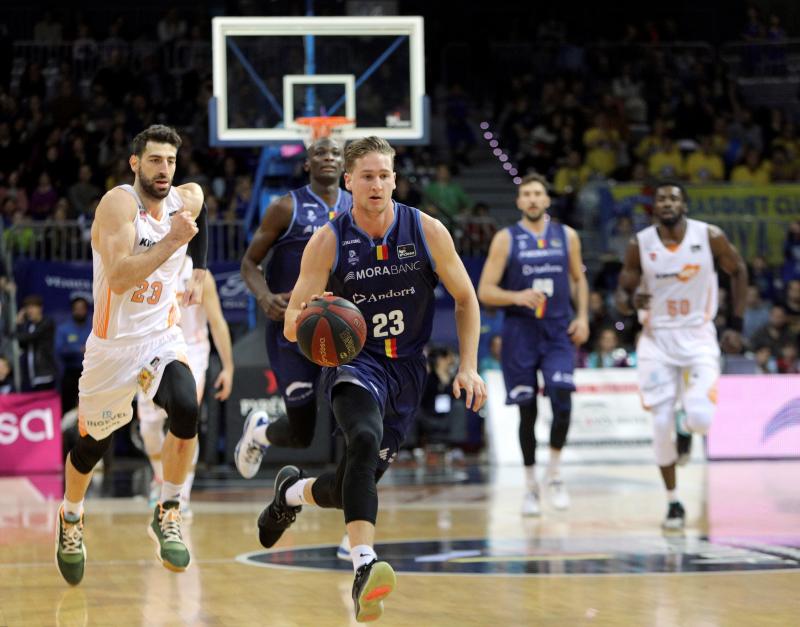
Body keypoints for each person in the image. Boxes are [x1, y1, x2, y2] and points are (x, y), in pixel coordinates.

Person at [258, 136, 486, 622]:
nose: (376, 184)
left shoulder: (426, 230)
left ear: (395, 181)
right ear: (349, 182)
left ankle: (291, 493)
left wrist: (468, 365)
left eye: (384, 175)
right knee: (362, 438)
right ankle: (364, 564)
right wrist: (311, 317)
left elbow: (466, 299)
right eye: (367, 176)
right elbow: (293, 314)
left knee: (349, 486)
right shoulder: (329, 239)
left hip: (407, 371)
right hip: (354, 363)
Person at [55, 124, 208, 586]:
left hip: (160, 339)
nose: (164, 169)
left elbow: (195, 213)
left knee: (186, 407)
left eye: (171, 161)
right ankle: (71, 515)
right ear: (135, 163)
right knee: (91, 445)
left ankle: (168, 509)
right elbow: (120, 278)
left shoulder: (188, 199)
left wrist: (198, 267)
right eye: (156, 160)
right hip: (112, 347)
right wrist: (173, 242)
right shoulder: (119, 204)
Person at [617, 180, 747, 531]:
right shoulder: (638, 245)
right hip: (656, 340)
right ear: (654, 207)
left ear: (684, 205)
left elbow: (739, 271)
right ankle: (673, 502)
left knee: (702, 419)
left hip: (698, 335)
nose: (667, 202)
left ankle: (687, 429)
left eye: (674, 197)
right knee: (659, 426)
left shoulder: (710, 236)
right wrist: (631, 303)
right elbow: (622, 295)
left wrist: (736, 323)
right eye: (661, 198)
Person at [236, 137, 352, 477]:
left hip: (341, 325)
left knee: (354, 419)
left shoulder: (357, 209)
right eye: (320, 152)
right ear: (307, 164)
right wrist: (264, 296)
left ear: (344, 164)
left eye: (335, 153)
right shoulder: (286, 207)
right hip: (293, 328)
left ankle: (352, 501)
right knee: (302, 434)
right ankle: (259, 433)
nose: (328, 157)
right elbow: (249, 264)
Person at [477, 173, 589, 517]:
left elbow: (578, 278)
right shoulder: (505, 239)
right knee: (527, 410)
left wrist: (583, 316)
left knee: (563, 399)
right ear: (518, 202)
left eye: (538, 193)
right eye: (526, 194)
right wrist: (517, 296)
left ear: (547, 200)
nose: (532, 199)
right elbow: (485, 291)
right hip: (520, 332)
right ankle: (530, 486)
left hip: (556, 331)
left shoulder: (566, 236)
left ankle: (554, 473)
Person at [137, 256, 234, 519]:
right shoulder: (147, 265)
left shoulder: (200, 275)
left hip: (191, 349)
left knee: (185, 421)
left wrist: (228, 367)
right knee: (148, 427)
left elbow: (217, 323)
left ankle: (180, 493)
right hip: (152, 349)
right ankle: (160, 477)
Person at [55, 296, 92, 414]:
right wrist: (79, 349)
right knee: (68, 406)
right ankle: (66, 431)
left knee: (91, 406)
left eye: (82, 308)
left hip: (90, 372)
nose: (80, 311)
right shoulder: (64, 329)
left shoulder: (94, 328)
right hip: (71, 373)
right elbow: (59, 349)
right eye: (77, 308)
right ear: (72, 310)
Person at [15, 294, 57, 392]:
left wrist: (18, 325)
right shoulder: (29, 326)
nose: (30, 311)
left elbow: (29, 338)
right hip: (31, 375)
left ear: (40, 308)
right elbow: (22, 344)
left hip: (45, 374)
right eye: (27, 308)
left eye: (33, 307)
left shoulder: (47, 322)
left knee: (45, 404)